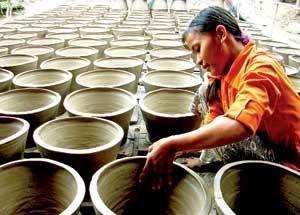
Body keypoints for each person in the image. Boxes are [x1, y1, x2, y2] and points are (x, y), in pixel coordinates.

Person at [139, 6, 300, 190]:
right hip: (260, 141)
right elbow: (213, 120)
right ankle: (209, 160)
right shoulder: (223, 74)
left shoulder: (262, 67)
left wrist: (173, 143)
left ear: (221, 34)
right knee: (206, 90)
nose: (198, 60)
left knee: (226, 129)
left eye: (198, 49)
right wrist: (184, 148)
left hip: (287, 158)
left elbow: (239, 125)